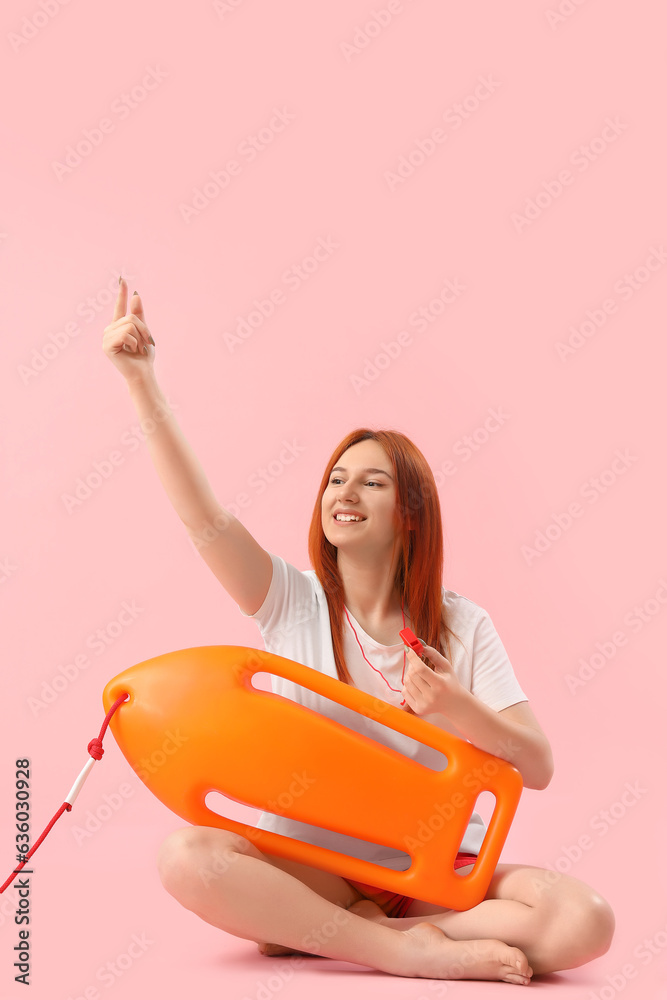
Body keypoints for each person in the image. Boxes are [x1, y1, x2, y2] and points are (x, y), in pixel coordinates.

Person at [102, 278, 615, 984]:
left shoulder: (461, 624)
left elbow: (537, 766)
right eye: (335, 479)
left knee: (584, 919)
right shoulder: (289, 601)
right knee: (186, 858)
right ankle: (397, 950)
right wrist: (141, 382)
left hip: (428, 876)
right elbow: (202, 517)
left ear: (409, 512)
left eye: (370, 483)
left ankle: (337, 935)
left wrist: (453, 709)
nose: (343, 494)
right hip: (313, 869)